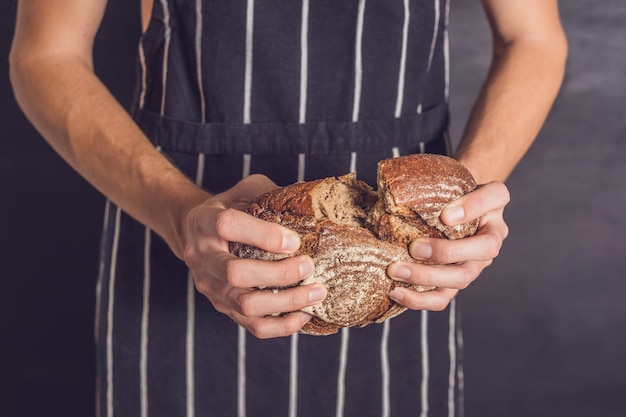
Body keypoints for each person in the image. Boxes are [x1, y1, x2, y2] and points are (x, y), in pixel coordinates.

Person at [9, 0, 567, 416]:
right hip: (180, 238)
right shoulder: (183, 226)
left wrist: (457, 202)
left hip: (404, 270)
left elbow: (532, 39)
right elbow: (47, 54)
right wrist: (181, 216)